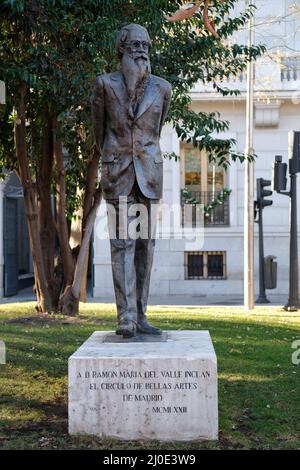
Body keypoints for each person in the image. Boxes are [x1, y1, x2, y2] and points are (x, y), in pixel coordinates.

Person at [91, 24, 172, 338]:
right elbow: (100, 132)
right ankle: (125, 317)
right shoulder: (104, 85)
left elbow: (155, 131)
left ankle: (141, 315)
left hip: (149, 174)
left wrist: (141, 154)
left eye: (146, 46)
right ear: (122, 49)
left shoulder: (162, 88)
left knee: (145, 247)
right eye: (136, 45)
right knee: (121, 244)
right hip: (118, 171)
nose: (142, 51)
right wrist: (116, 156)